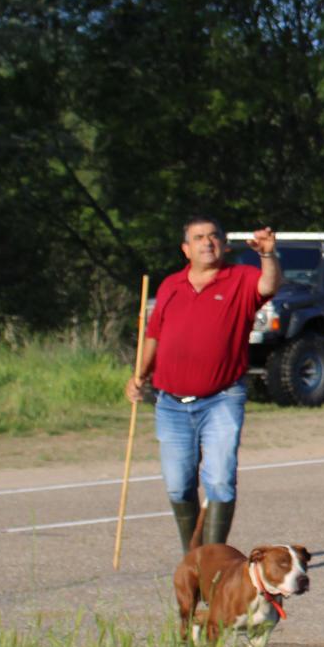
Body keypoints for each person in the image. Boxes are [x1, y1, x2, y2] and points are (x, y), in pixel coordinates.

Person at [126, 217, 281, 552]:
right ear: (186, 249)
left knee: (220, 479)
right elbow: (153, 336)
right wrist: (138, 376)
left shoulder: (241, 278)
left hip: (222, 398)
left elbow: (269, 286)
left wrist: (268, 256)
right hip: (170, 403)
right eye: (198, 237)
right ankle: (192, 556)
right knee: (179, 486)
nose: (207, 242)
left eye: (213, 236)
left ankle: (213, 561)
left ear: (224, 244)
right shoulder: (170, 285)